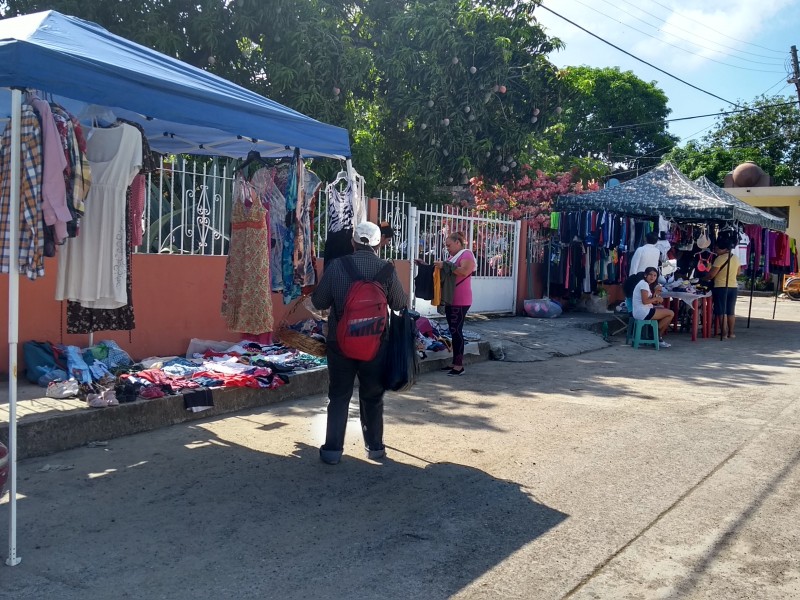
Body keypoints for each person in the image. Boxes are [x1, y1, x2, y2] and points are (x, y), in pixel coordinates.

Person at [311, 221, 407, 465]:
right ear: (377, 244)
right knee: (372, 397)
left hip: (339, 344)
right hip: (375, 344)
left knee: (339, 397)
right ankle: (375, 449)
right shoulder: (386, 269)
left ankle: (332, 451)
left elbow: (320, 302)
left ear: (352, 242)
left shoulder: (336, 266)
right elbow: (399, 304)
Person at [434, 231, 476, 376]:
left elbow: (464, 272)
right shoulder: (453, 257)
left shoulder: (466, 254)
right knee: (453, 331)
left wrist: (445, 265)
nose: (447, 248)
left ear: (458, 242)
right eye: (446, 246)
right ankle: (454, 362)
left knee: (456, 331)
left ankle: (459, 366)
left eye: (449, 245)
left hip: (461, 300)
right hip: (451, 299)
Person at [631, 266, 674, 348]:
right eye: (650, 275)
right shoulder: (643, 284)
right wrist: (656, 298)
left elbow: (649, 300)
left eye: (655, 276)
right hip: (643, 312)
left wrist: (655, 294)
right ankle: (657, 336)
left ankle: (655, 334)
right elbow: (645, 301)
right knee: (670, 313)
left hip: (641, 311)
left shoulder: (644, 284)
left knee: (662, 309)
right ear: (645, 275)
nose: (652, 277)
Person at [704, 242, 740, 339]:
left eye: (717, 249)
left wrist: (704, 279)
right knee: (730, 311)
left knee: (721, 311)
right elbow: (739, 272)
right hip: (733, 287)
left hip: (721, 287)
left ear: (724, 249)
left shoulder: (720, 259)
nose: (716, 251)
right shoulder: (736, 258)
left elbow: (711, 275)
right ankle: (731, 333)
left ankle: (723, 333)